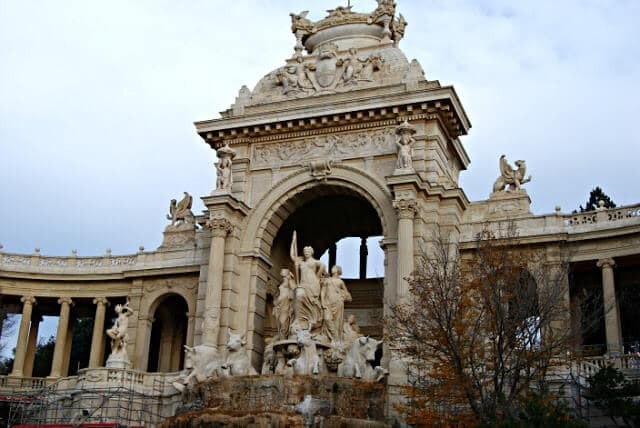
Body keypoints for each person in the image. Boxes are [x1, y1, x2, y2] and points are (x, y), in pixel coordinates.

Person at [321, 265, 352, 342]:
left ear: (338, 270)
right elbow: (323, 292)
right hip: (328, 303)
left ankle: (336, 340)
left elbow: (348, 294)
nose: (332, 268)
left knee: (337, 322)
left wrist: (343, 297)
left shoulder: (340, 282)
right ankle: (333, 338)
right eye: (332, 267)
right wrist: (323, 302)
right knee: (327, 319)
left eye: (334, 268)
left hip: (338, 303)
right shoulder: (327, 280)